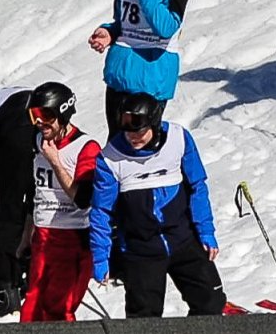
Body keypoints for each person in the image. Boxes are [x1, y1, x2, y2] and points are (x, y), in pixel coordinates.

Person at [89, 91, 225, 320]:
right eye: (127, 131)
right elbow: (101, 211)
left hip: (183, 239)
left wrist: (206, 231)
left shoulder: (179, 139)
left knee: (210, 302)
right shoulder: (110, 158)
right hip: (141, 248)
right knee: (145, 319)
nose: (133, 137)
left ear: (154, 123)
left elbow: (197, 186)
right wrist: (101, 257)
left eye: (139, 131)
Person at [0, 83, 98, 318]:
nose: (38, 122)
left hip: (71, 238)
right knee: (32, 310)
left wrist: (55, 162)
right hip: (43, 237)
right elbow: (30, 194)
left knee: (57, 309)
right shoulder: (36, 139)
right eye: (34, 116)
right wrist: (25, 236)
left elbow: (83, 198)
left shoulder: (84, 147)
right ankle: (5, 281)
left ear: (62, 113)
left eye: (45, 116)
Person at [88, 0, 199, 130]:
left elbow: (165, 27)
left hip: (151, 78)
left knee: (141, 143)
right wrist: (109, 33)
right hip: (120, 75)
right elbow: (124, 22)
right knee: (115, 142)